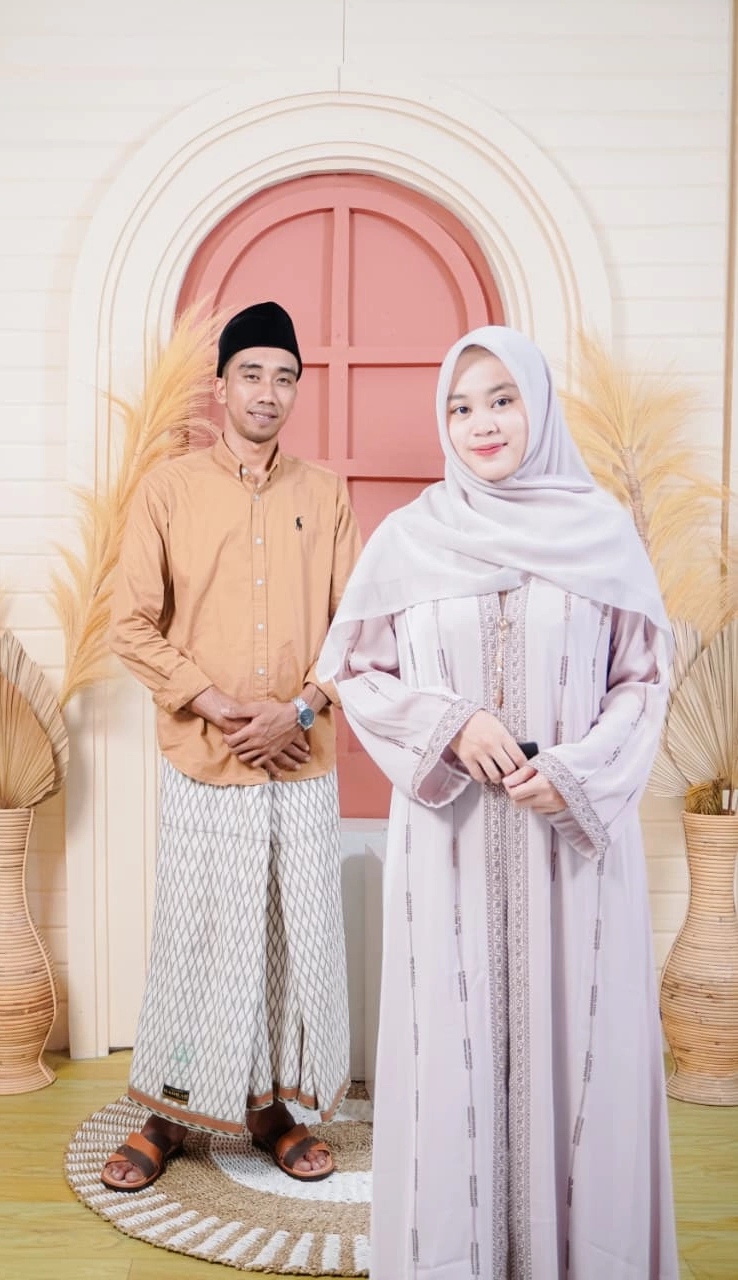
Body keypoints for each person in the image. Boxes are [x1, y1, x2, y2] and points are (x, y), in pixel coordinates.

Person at [318, 326, 679, 1279]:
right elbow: (356, 673)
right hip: (452, 846)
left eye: (501, 400)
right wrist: (448, 722)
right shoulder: (410, 539)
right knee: (454, 1060)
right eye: (460, 406)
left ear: (538, 407)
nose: (480, 423)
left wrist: (577, 770)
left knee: (584, 1057)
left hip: (573, 848)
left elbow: (642, 683)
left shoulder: (603, 533)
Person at [101, 301, 362, 1191]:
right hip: (205, 760)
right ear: (220, 386)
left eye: (284, 378)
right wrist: (221, 709)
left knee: (292, 936)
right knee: (199, 936)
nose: (267, 392)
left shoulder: (325, 494)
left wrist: (299, 710)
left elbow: (357, 629)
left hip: (298, 758)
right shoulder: (168, 489)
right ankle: (170, 1112)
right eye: (251, 374)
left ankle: (273, 1110)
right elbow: (131, 625)